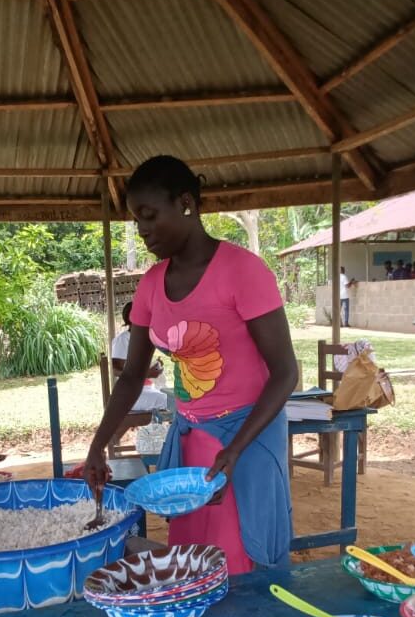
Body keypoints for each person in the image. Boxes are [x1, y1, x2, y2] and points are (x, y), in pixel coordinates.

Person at [85, 155, 297, 575]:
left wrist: (235, 449)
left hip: (247, 439)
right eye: (136, 220)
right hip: (193, 439)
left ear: (186, 203)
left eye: (149, 216)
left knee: (240, 562)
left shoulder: (242, 271)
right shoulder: (150, 285)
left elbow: (286, 372)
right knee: (194, 565)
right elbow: (131, 376)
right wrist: (97, 445)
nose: (142, 229)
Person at [110, 299, 169, 413]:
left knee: (174, 396)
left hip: (145, 389)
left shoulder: (142, 339)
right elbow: (116, 370)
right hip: (129, 396)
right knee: (170, 401)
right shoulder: (123, 340)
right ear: (132, 319)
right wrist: (147, 373)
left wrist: (155, 366)